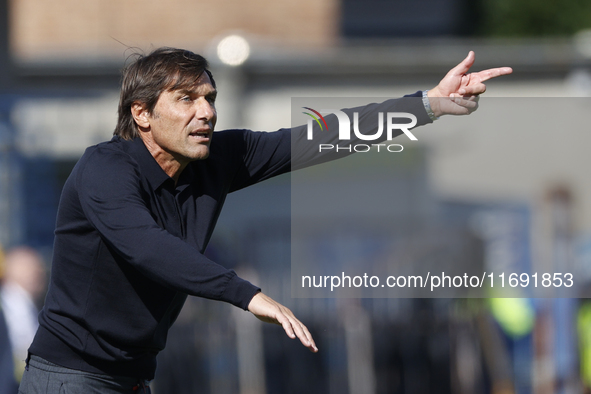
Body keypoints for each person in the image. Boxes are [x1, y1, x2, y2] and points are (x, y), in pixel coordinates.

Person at [19, 47, 511, 394]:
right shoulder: (104, 169)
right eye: (186, 99)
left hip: (133, 378)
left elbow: (316, 138)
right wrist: (246, 293)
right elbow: (147, 248)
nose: (206, 112)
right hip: (68, 379)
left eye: (209, 97)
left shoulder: (217, 159)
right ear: (142, 114)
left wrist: (426, 105)